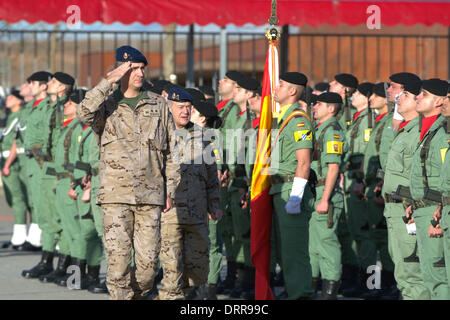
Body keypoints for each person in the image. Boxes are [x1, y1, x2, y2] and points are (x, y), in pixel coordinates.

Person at [77, 45, 180, 300]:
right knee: (119, 263)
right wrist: (108, 81)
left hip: (151, 195)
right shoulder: (107, 106)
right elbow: (84, 112)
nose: (139, 73)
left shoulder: (158, 104)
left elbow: (173, 152)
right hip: (115, 195)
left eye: (141, 68)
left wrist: (170, 190)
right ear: (120, 70)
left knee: (147, 268)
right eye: (133, 68)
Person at [158, 87, 222, 300]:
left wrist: (215, 203)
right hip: (170, 215)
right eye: (180, 107)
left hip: (197, 213)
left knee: (198, 272)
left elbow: (212, 175)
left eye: (188, 107)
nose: (185, 111)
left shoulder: (202, 136)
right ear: (170, 108)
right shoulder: (160, 134)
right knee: (172, 271)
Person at [382, 74, 430, 300]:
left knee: (412, 273)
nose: (398, 99)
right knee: (403, 270)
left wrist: (415, 208)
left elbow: (421, 176)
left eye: (405, 95)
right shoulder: (405, 129)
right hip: (394, 208)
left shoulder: (418, 131)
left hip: (406, 209)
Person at [270, 71, 315, 300]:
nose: (275, 87)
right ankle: (294, 290)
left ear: (292, 91)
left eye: (281, 84)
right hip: (277, 189)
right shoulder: (283, 118)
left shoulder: (298, 120)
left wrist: (296, 196)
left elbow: (304, 161)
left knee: (294, 251)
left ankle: (303, 295)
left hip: (290, 188)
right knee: (283, 251)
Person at [406, 78, 450, 299]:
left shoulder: (443, 132)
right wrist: (413, 204)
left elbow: (446, 175)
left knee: (438, 275)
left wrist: (440, 212)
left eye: (424, 94)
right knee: (430, 274)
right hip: (424, 208)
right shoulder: (428, 128)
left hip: (435, 209)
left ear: (439, 101)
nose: (417, 97)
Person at [357, 82, 396, 299]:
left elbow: (387, 158)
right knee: (373, 237)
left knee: (383, 239)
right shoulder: (379, 122)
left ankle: (389, 285)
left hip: (380, 187)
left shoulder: (390, 123)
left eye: (375, 95)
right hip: (370, 186)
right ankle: (374, 285)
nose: (370, 98)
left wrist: (382, 184)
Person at [341, 82, 378, 297]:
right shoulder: (356, 119)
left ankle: (371, 283)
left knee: (367, 236)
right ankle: (359, 278)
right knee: (356, 234)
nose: (353, 96)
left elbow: (366, 155)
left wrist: (360, 180)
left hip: (359, 183)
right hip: (349, 182)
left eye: (357, 94)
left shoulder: (368, 121)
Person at [309, 92, 346, 299]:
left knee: (326, 244)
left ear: (331, 108)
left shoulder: (332, 131)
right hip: (315, 191)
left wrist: (325, 199)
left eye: (319, 104)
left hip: (325, 193)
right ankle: (312, 288)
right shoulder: (319, 129)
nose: (315, 107)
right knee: (313, 246)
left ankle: (329, 293)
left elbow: (333, 167)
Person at [0, 90, 30, 250]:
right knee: (12, 199)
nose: (8, 99)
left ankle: (21, 237)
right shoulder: (11, 116)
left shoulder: (20, 116)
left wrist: (7, 164)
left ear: (19, 101)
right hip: (5, 159)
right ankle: (19, 235)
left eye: (12, 97)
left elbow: (15, 141)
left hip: (14, 161)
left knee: (19, 199)